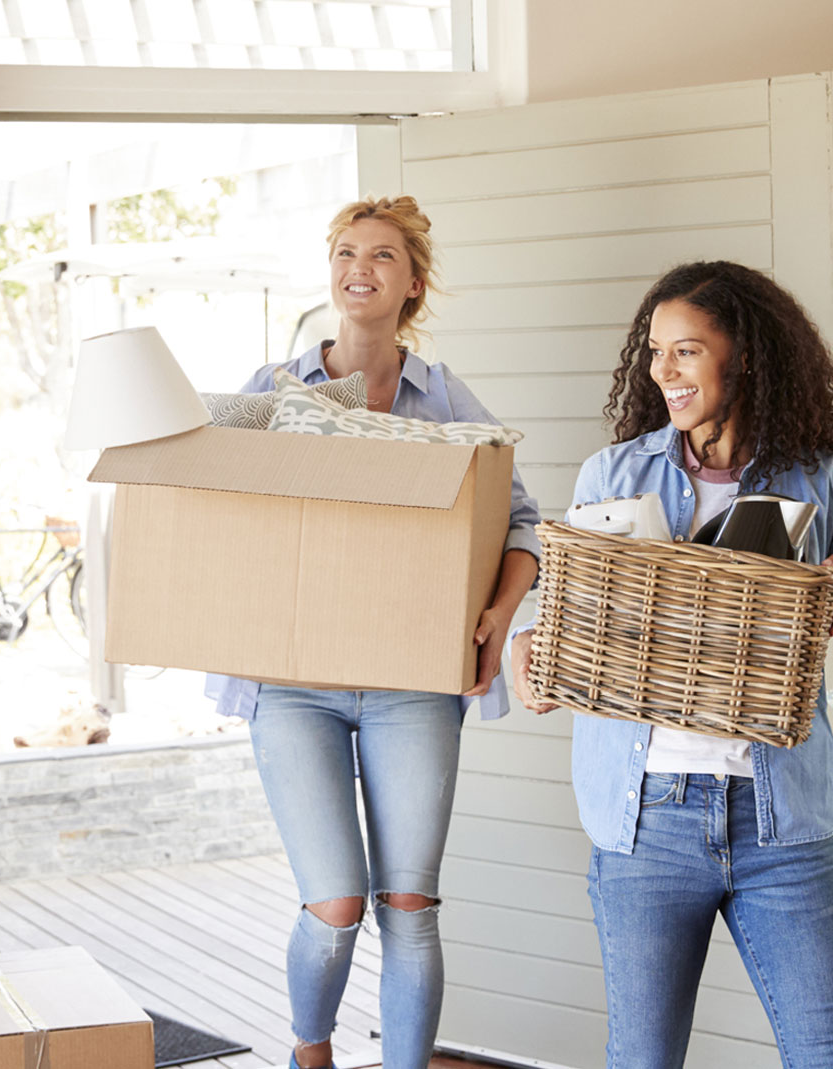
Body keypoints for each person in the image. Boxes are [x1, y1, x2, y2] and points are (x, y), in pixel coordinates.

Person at [510, 261, 833, 1068]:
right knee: (643, 1058)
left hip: (784, 828)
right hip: (645, 819)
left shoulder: (829, 480)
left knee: (831, 1055)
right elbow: (558, 604)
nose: (664, 370)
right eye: (657, 351)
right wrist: (528, 644)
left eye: (687, 350)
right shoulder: (615, 474)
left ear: (746, 357)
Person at [208, 195, 542, 1069]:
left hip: (412, 684)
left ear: (413, 284)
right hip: (294, 685)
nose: (361, 267)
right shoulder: (273, 393)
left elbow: (521, 523)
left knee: (408, 904)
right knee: (337, 902)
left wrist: (499, 617)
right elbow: (217, 509)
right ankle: (309, 1051)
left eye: (383, 256)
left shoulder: (444, 399)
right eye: (347, 252)